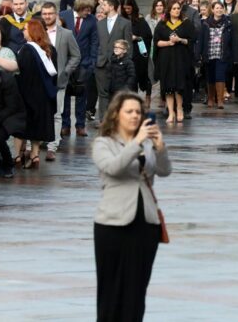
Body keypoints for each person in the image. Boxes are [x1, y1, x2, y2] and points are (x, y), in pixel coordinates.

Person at [93, 92, 170, 321]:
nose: (135, 116)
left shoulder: (146, 143)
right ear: (116, 114)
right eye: (129, 111)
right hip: (113, 223)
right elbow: (114, 168)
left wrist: (160, 147)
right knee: (111, 290)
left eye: (139, 112)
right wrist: (136, 143)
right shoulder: (103, 143)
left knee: (137, 290)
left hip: (145, 223)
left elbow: (164, 171)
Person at [40, 2, 81, 161]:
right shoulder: (37, 32)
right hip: (40, 79)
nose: (47, 16)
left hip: (59, 80)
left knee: (57, 113)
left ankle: (53, 145)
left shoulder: (66, 34)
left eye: (50, 13)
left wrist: (65, 71)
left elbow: (76, 55)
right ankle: (37, 143)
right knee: (40, 113)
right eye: (44, 14)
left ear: (56, 14)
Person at [16, 19, 58, 169]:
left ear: (32, 31)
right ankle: (34, 154)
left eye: (25, 29)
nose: (23, 31)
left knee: (27, 126)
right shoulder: (50, 49)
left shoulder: (27, 50)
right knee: (39, 126)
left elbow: (22, 73)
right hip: (45, 95)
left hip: (28, 94)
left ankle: (18, 156)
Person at [60, 0, 99, 137]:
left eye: (90, 10)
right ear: (79, 8)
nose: (88, 13)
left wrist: (92, 61)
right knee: (64, 95)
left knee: (82, 95)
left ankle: (80, 126)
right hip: (65, 62)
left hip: (84, 63)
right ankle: (65, 125)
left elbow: (95, 41)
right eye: (86, 10)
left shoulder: (92, 20)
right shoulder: (64, 16)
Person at [154, 0, 195, 123]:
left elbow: (192, 40)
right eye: (174, 8)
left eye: (178, 8)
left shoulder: (186, 23)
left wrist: (180, 40)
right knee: (168, 87)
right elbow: (157, 42)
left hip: (181, 59)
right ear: (169, 10)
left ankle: (180, 109)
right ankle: (171, 113)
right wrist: (169, 42)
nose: (177, 11)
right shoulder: (162, 24)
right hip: (166, 59)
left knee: (179, 86)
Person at [96, 0, 133, 123]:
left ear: (112, 7)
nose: (102, 7)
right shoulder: (100, 24)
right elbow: (97, 43)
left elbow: (128, 45)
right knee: (103, 94)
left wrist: (125, 63)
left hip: (118, 65)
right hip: (101, 64)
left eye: (104, 5)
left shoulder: (125, 23)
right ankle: (103, 121)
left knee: (117, 93)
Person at [199, 0, 233, 107]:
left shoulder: (228, 23)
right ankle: (210, 98)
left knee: (220, 76)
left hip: (222, 54)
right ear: (212, 10)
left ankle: (220, 100)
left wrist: (233, 54)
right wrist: (199, 54)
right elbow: (201, 40)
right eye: (217, 8)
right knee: (210, 76)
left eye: (221, 8)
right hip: (209, 54)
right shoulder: (205, 23)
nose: (219, 10)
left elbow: (233, 40)